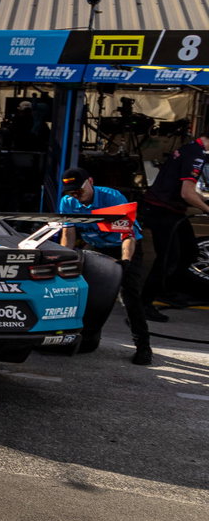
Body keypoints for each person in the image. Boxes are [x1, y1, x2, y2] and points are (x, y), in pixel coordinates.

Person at [60, 167, 150, 365]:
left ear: (90, 182)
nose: (76, 195)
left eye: (79, 190)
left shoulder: (112, 198)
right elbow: (68, 234)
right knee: (89, 293)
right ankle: (88, 340)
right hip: (97, 245)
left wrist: (125, 261)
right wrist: (64, 259)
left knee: (129, 296)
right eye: (72, 192)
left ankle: (143, 346)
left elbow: (127, 234)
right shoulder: (67, 202)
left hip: (124, 246)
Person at [138, 130, 209, 318]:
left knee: (189, 251)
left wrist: (202, 200)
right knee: (167, 257)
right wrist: (206, 208)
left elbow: (185, 188)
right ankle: (144, 303)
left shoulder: (190, 148)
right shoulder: (197, 155)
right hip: (161, 210)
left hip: (172, 210)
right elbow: (187, 193)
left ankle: (168, 290)